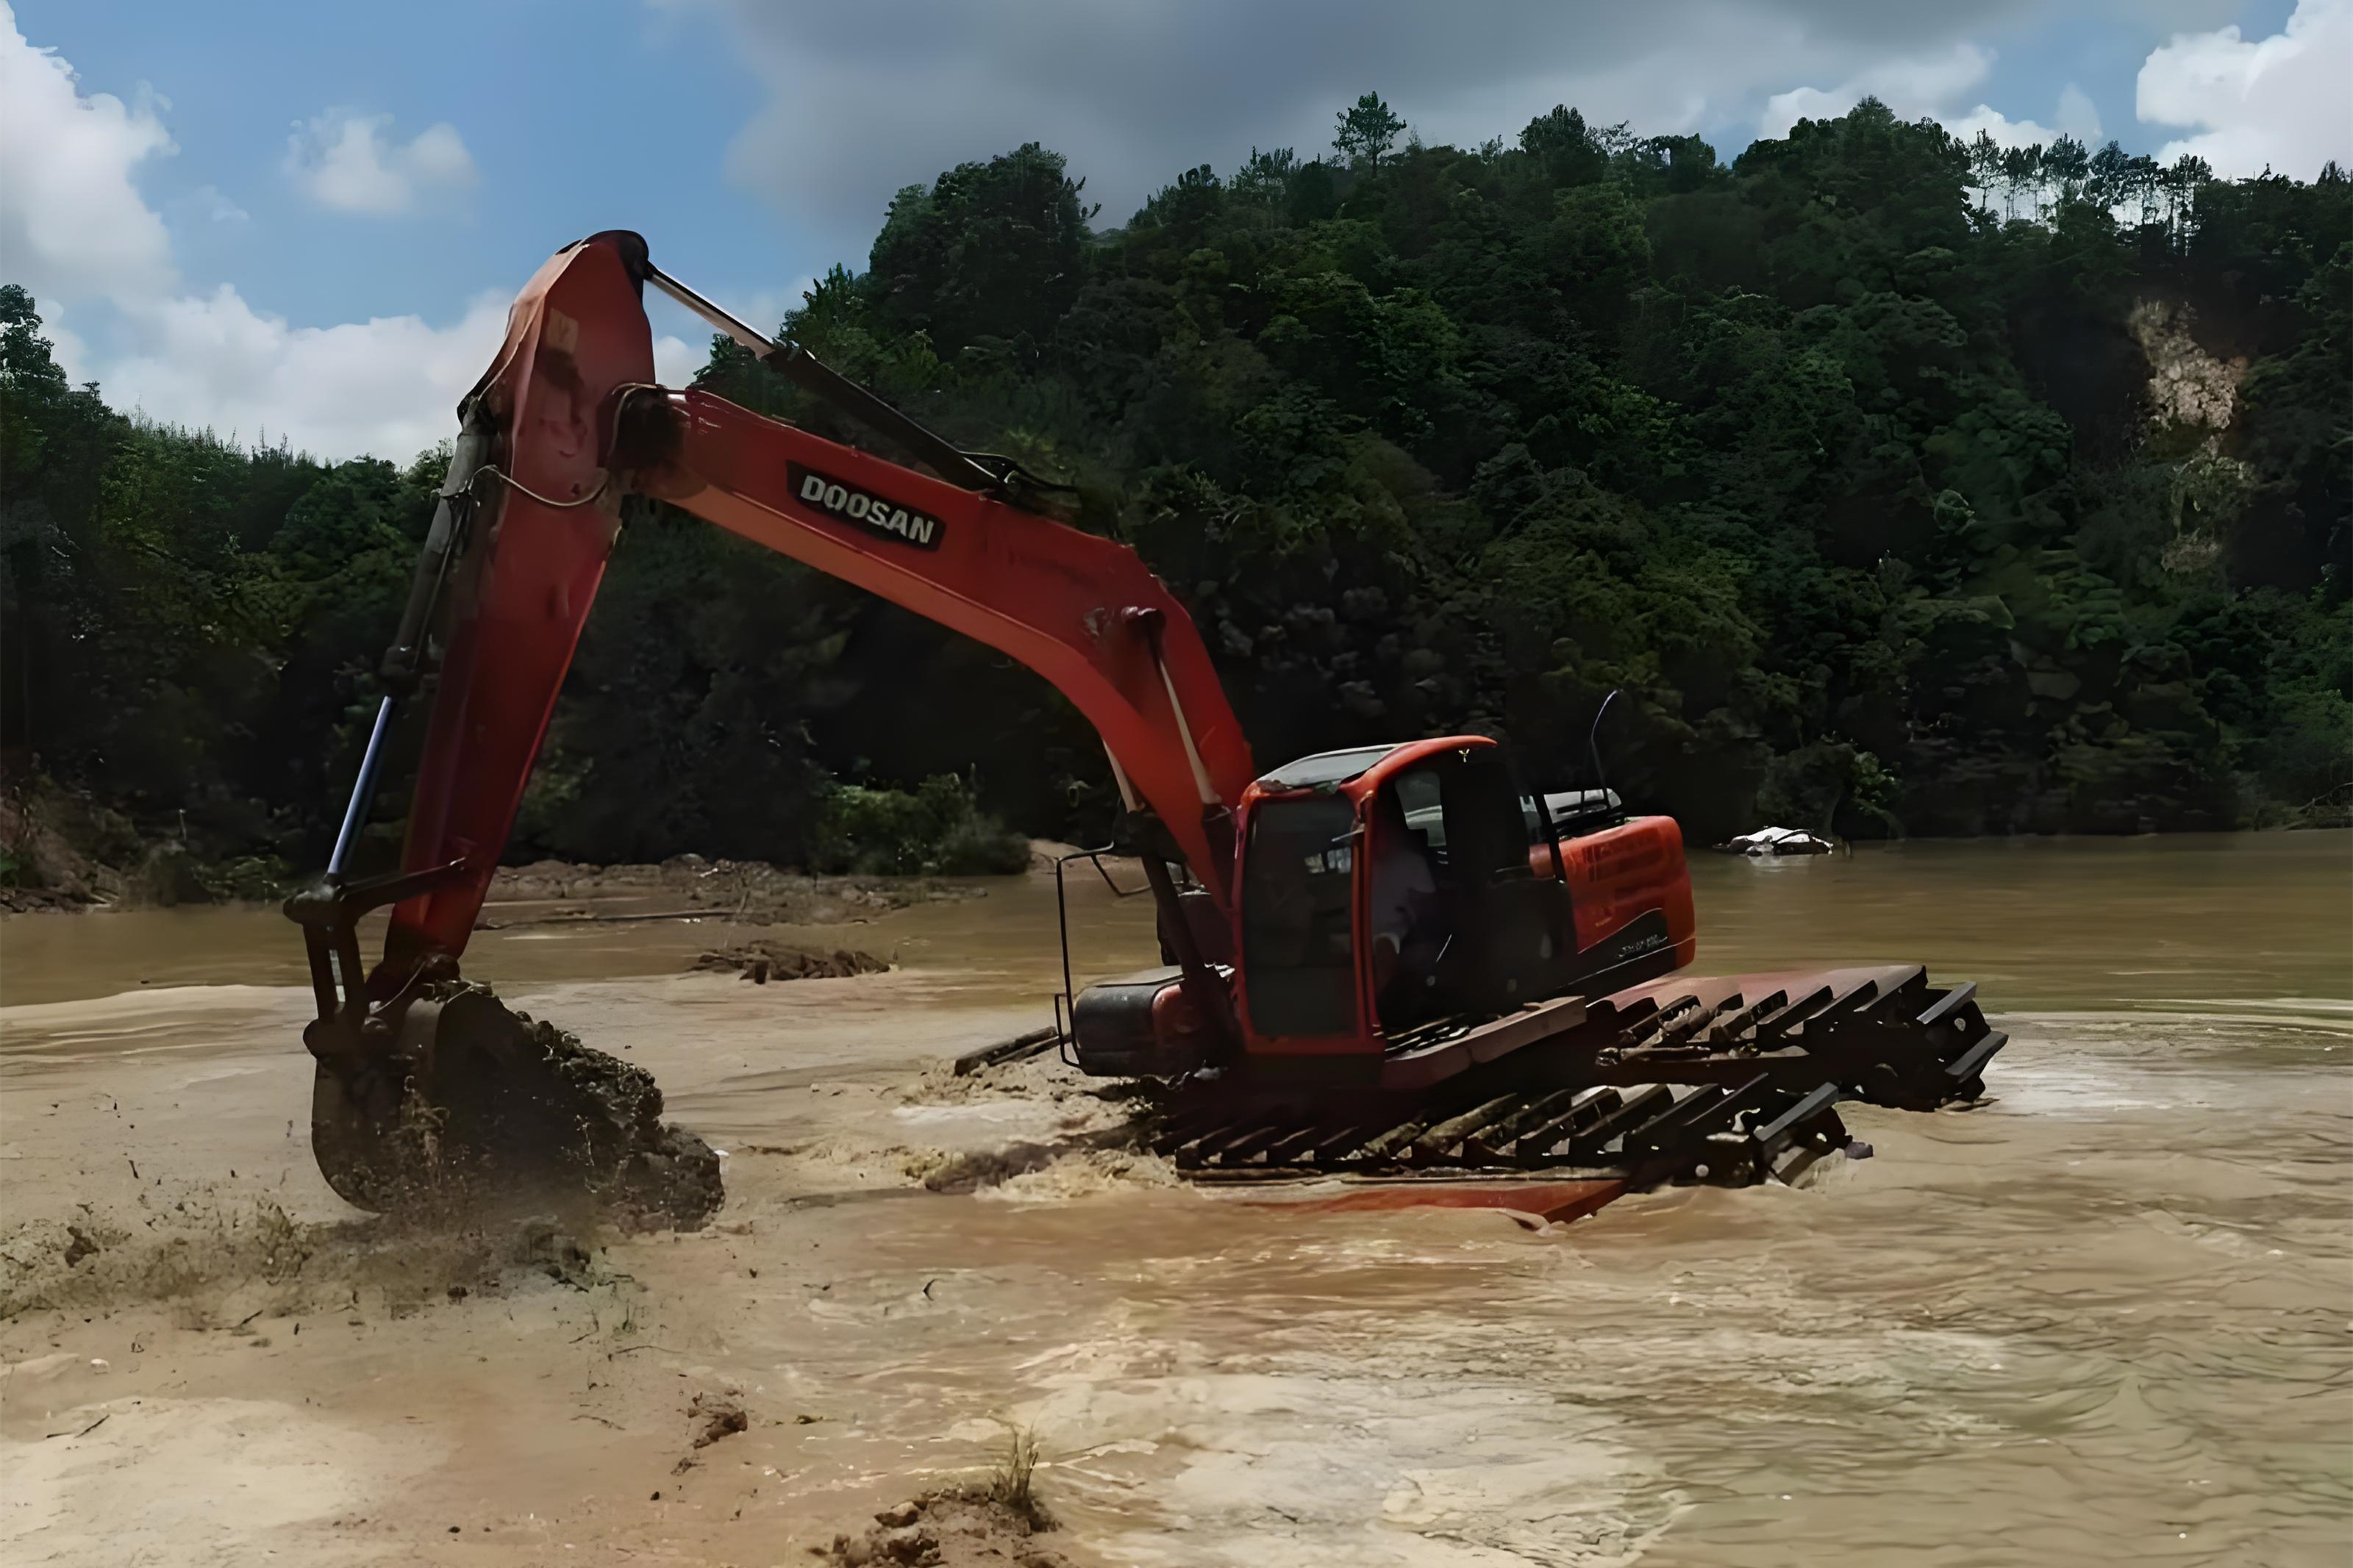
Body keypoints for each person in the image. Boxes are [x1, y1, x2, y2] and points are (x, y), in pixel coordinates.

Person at [1367, 787, 1440, 1017]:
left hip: (1392, 935)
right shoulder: (1357, 863)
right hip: (1354, 934)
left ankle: (1376, 1013)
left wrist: (1414, 911)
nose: (1377, 834)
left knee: (1385, 947)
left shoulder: (1412, 864)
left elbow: (1429, 914)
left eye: (1382, 827)